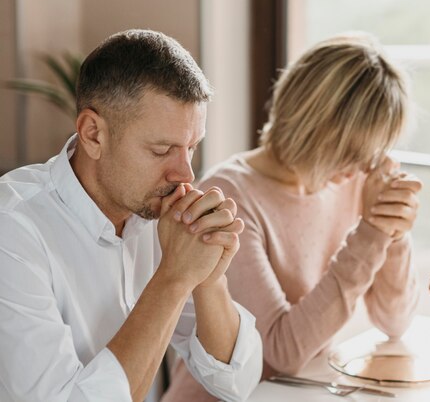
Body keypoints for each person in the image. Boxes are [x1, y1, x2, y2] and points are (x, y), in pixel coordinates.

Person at [0, 29, 262, 402]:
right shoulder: (12, 230)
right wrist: (173, 278)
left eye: (191, 147)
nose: (185, 174)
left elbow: (235, 382)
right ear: (93, 134)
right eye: (161, 150)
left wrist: (209, 277)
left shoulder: (159, 212)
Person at [164, 32, 422, 401]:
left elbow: (394, 322)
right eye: (351, 151)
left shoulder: (351, 177)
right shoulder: (229, 195)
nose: (362, 167)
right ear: (311, 125)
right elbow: (279, 353)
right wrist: (371, 233)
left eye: (372, 152)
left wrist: (393, 232)